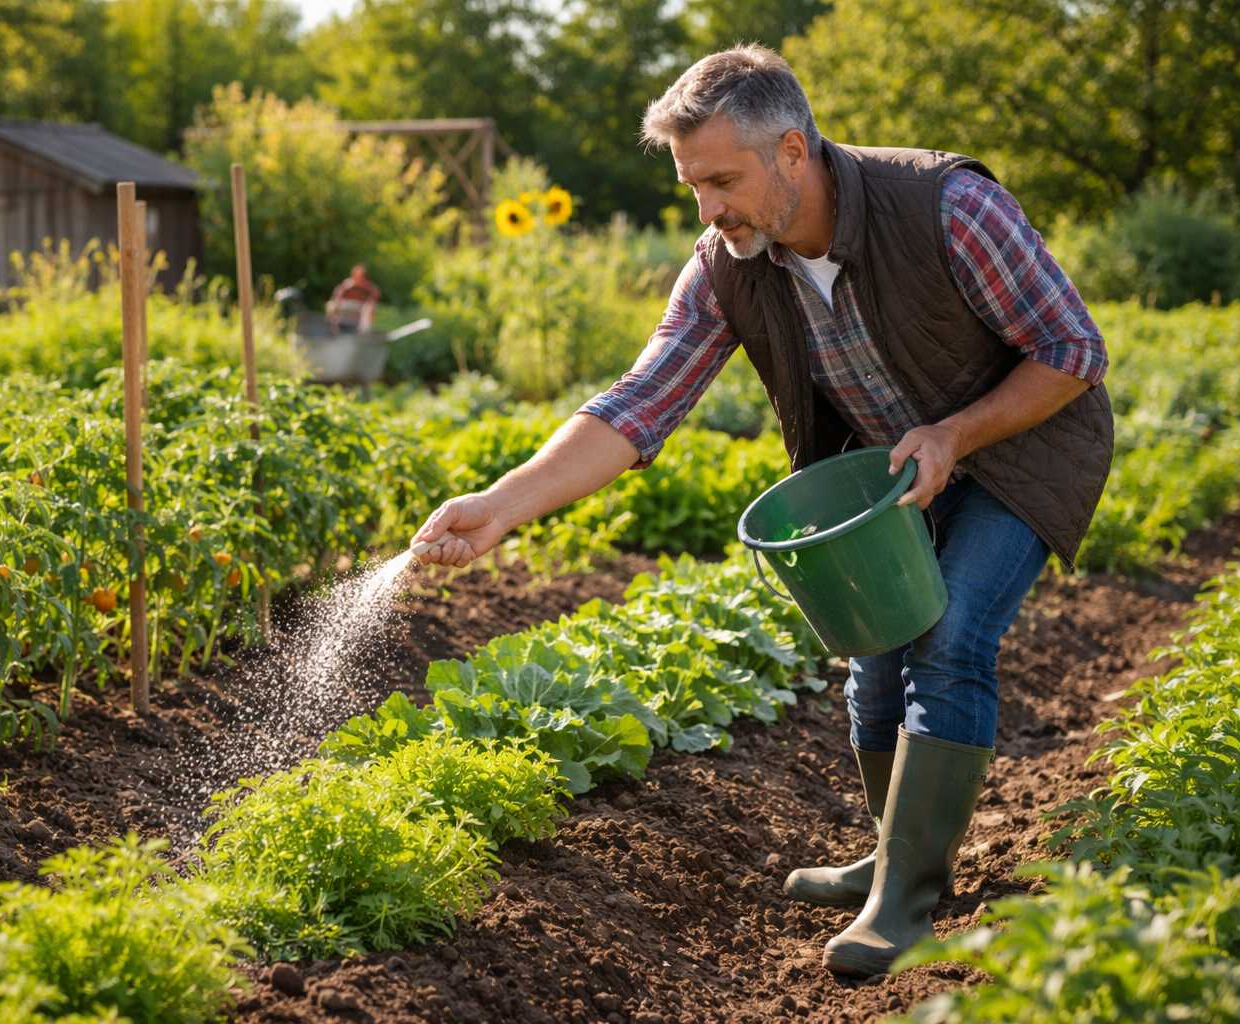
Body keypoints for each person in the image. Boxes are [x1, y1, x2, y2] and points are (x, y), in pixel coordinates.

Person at [410, 45, 1112, 977]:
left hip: (1021, 446)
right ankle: (891, 853)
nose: (707, 209)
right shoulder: (728, 264)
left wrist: (954, 434)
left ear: (792, 151)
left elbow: (1071, 346)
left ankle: (906, 902)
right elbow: (641, 401)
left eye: (722, 181)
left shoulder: (946, 205)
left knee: (949, 639)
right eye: (691, 186)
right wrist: (503, 503)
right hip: (884, 471)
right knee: (876, 646)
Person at [326, 264, 381, 333]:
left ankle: (363, 331)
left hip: (361, 306)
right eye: (357, 274)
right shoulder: (348, 283)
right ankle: (333, 327)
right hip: (347, 304)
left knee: (369, 308)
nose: (359, 277)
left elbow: (376, 293)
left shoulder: (368, 285)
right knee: (331, 305)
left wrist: (370, 301)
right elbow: (337, 294)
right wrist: (337, 301)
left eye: (361, 275)